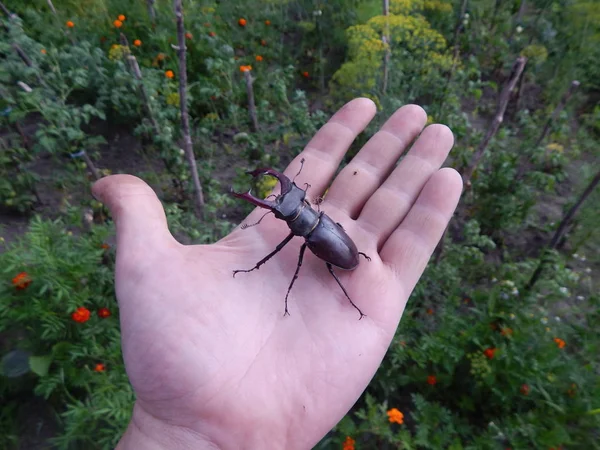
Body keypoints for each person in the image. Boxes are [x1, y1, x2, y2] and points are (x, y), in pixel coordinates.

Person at [92, 98, 462, 450]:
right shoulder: (313, 224)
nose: (281, 205)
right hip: (334, 237)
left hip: (343, 253)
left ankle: (334, 292)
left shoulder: (305, 238)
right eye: (284, 208)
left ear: (300, 211)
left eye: (287, 206)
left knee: (322, 268)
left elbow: (306, 249)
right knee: (312, 257)